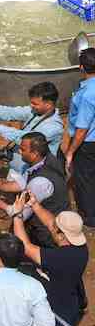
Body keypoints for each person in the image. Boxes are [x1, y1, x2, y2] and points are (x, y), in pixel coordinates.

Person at [12, 194, 89, 326]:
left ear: (62, 235)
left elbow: (26, 247)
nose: (52, 226)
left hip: (53, 312)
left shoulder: (60, 258)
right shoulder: (81, 248)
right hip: (68, 307)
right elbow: (51, 224)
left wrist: (17, 216)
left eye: (56, 228)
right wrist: (35, 205)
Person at [0, 132, 70, 248]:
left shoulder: (39, 183)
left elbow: (20, 214)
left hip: (48, 235)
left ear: (34, 153)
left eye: (23, 150)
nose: (19, 152)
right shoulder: (46, 160)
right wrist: (1, 185)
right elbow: (23, 182)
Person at [0, 82, 64, 175]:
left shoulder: (53, 127)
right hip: (22, 160)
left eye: (35, 103)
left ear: (48, 104)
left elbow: (25, 139)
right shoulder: (36, 112)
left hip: (35, 170)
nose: (31, 105)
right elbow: (12, 112)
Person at [64, 48, 95, 227]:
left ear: (81, 67)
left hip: (88, 144)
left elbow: (82, 128)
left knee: (84, 180)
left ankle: (89, 217)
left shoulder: (86, 95)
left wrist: (71, 152)